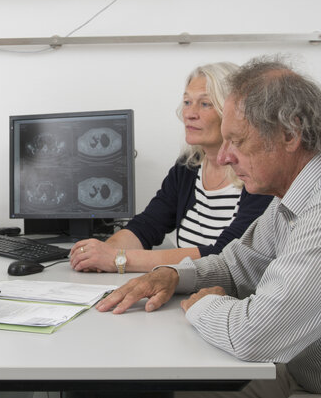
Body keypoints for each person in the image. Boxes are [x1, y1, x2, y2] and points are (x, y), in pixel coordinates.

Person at [97, 56, 321, 397]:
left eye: (238, 141)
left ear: (289, 134)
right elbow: (236, 264)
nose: (226, 156)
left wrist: (202, 302)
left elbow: (254, 335)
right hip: (297, 369)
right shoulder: (288, 199)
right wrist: (172, 275)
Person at [70, 63, 272, 274]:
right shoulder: (189, 166)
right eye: (187, 102)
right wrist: (101, 253)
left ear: (232, 111)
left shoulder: (258, 176)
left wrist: (120, 260)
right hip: (183, 288)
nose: (189, 114)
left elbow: (226, 254)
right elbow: (147, 225)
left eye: (205, 104)